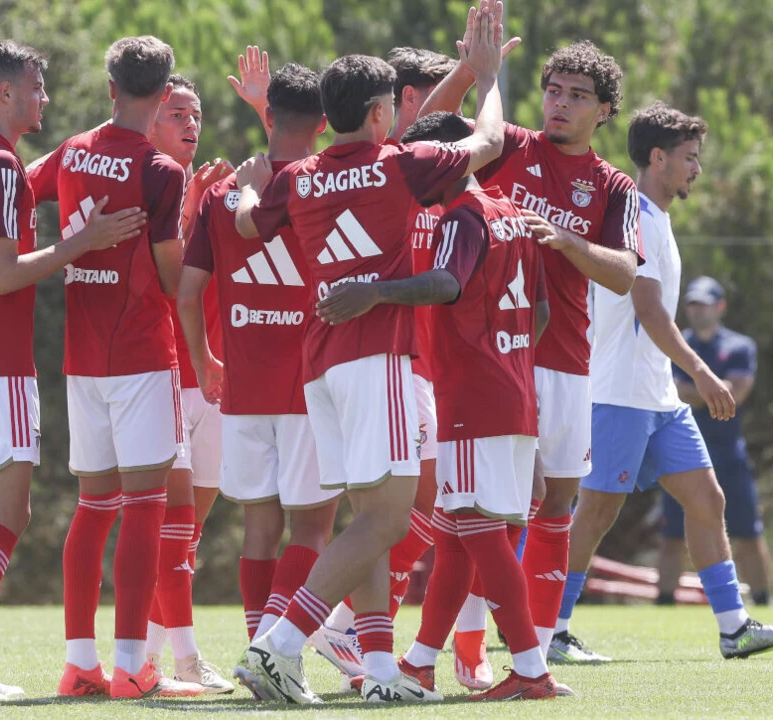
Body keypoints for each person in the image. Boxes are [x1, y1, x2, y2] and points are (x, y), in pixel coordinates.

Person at [231, 1, 508, 703]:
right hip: (377, 358)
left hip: (320, 362)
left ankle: (381, 671)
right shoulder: (400, 164)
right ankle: (278, 645)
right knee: (387, 519)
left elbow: (245, 224)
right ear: (383, 112)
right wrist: (490, 73)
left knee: (368, 521)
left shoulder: (298, 177)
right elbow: (489, 143)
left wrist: (244, 185)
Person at [0, 40, 146, 702]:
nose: (44, 97)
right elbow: (5, 274)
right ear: (6, 93)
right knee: (7, 516)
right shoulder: (2, 164)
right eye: (37, 87)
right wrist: (81, 244)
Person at [317, 109, 563, 701]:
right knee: (456, 534)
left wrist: (374, 293)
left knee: (480, 534)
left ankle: (531, 671)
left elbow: (447, 283)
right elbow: (543, 314)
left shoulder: (461, 216)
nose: (420, 179)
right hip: (511, 391)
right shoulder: (515, 216)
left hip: (472, 397)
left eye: (428, 168)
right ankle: (422, 661)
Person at [554, 102, 773, 662]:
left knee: (707, 499)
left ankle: (734, 627)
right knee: (594, 515)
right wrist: (701, 369)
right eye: (690, 158)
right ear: (658, 157)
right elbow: (648, 308)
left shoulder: (659, 217)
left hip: (658, 399)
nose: (697, 169)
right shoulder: (636, 216)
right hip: (617, 394)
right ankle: (552, 630)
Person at [421, 34, 642, 662]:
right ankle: (468, 645)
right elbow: (424, 132)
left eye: (578, 96)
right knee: (479, 511)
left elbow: (625, 273)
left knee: (556, 502)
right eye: (553, 90)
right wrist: (473, 70)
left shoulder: (613, 185)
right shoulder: (506, 147)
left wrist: (568, 242)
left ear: (604, 111)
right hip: (493, 358)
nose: (560, 104)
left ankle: (540, 646)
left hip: (566, 361)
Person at [22, 36, 212, 700]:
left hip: (82, 358)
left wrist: (71, 246)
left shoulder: (71, 149)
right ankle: (132, 666)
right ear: (163, 96)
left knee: (93, 509)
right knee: (144, 511)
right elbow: (169, 275)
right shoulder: (162, 170)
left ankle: (80, 665)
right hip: (139, 356)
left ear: (109, 89)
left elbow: (20, 190)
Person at [176, 57, 344, 700]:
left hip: (242, 388)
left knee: (259, 528)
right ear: (326, 122)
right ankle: (267, 650)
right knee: (314, 530)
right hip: (311, 388)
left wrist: (204, 362)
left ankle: (257, 650)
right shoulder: (329, 184)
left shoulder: (224, 195)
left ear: (267, 113)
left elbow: (189, 293)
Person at [144, 71, 234, 692]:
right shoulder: (146, 182)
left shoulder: (217, 190)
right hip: (165, 376)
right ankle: (183, 658)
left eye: (195, 113)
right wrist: (193, 205)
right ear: (149, 116)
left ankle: (147, 657)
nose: (190, 124)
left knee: (187, 536)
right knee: (173, 529)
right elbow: (171, 285)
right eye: (177, 112)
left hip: (217, 378)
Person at [658, 276, 770, 606]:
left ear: (720, 307)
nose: (697, 310)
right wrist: (712, 389)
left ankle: (764, 602)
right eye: (692, 304)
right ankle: (663, 605)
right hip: (681, 454)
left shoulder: (739, 346)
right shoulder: (674, 343)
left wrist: (693, 391)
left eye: (704, 304)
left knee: (748, 533)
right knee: (671, 537)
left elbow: (735, 393)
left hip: (729, 455)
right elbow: (671, 391)